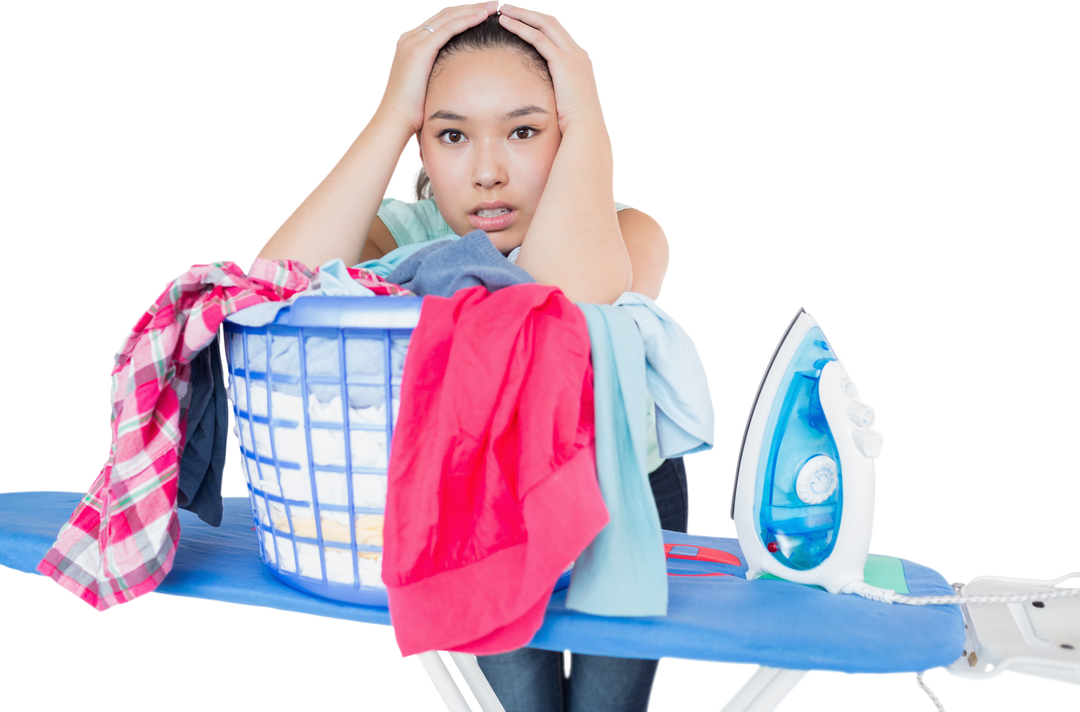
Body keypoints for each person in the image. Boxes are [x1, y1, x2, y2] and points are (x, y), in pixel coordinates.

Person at [252, 3, 686, 710]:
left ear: (570, 134)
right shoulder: (403, 229)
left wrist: (590, 106)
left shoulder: (630, 231)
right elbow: (272, 289)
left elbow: (554, 306)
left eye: (524, 131)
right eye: (452, 135)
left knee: (610, 708)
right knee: (519, 707)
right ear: (421, 147)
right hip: (471, 494)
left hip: (620, 491)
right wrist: (392, 113)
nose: (488, 171)